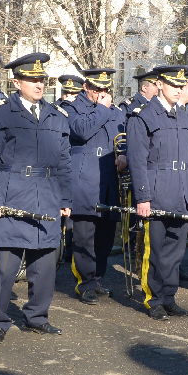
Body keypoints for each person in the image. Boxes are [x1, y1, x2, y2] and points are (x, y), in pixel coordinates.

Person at [0, 53, 74, 341]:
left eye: (41, 79)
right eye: (32, 79)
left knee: (45, 264)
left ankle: (36, 317)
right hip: (11, 195)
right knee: (6, 267)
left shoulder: (57, 116)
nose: (38, 84)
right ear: (17, 81)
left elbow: (65, 163)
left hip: (47, 195)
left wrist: (66, 199)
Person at [126, 65, 188, 321]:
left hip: (182, 191)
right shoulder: (144, 116)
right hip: (157, 191)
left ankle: (169, 297)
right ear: (160, 84)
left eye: (182, 86)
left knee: (175, 251)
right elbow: (137, 161)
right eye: (173, 85)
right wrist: (143, 197)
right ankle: (153, 298)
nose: (179, 90)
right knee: (154, 251)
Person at [61, 67, 125, 303]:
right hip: (85, 177)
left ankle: (97, 278)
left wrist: (124, 154)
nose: (101, 93)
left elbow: (123, 137)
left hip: (108, 177)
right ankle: (84, 283)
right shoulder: (71, 108)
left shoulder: (115, 110)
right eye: (97, 88)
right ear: (86, 87)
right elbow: (81, 130)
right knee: (85, 236)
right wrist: (101, 108)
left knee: (106, 236)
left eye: (105, 89)